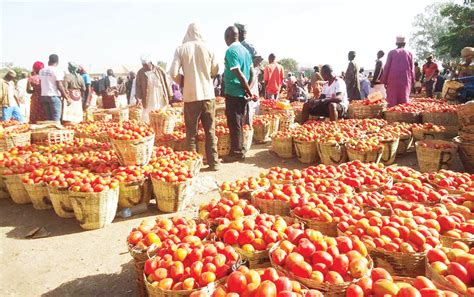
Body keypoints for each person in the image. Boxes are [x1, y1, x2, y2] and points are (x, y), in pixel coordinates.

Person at [170, 23, 220, 170]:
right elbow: (216, 69)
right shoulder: (209, 48)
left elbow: (172, 72)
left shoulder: (181, 49)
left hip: (191, 96)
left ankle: (193, 164)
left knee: (191, 132)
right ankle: (214, 162)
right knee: (210, 130)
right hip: (207, 95)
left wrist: (183, 81)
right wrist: (209, 75)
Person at [222, 26, 255, 163]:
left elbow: (239, 74)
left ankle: (236, 153)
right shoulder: (246, 52)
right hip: (242, 94)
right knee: (240, 122)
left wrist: (248, 91)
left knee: (234, 122)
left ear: (228, 37)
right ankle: (240, 150)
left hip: (234, 92)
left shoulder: (231, 51)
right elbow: (253, 74)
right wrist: (249, 90)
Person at [135, 55, 173, 123]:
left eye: (146, 65)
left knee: (161, 116)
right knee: (147, 118)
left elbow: (167, 83)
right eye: (143, 65)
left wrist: (170, 95)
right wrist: (138, 98)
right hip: (148, 99)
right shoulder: (140, 73)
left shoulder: (160, 70)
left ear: (151, 63)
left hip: (160, 97)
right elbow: (138, 86)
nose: (145, 67)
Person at [380, 36, 414, 107]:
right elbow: (412, 69)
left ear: (396, 44)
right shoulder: (409, 53)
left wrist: (384, 80)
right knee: (404, 96)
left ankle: (391, 113)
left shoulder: (391, 53)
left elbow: (387, 67)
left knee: (392, 97)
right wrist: (412, 81)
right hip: (405, 79)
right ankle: (402, 113)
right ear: (404, 44)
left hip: (392, 79)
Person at [39, 54, 69, 122]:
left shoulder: (42, 71)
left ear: (49, 61)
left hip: (44, 96)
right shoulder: (57, 70)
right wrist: (66, 97)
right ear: (57, 62)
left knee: (48, 120)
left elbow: (41, 83)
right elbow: (59, 85)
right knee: (56, 119)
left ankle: (49, 132)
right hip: (54, 96)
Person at [249, 56, 263, 123]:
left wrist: (258, 83)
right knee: (249, 109)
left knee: (254, 109)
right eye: (258, 60)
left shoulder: (256, 68)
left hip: (254, 91)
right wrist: (249, 92)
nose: (259, 63)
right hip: (250, 92)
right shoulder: (249, 67)